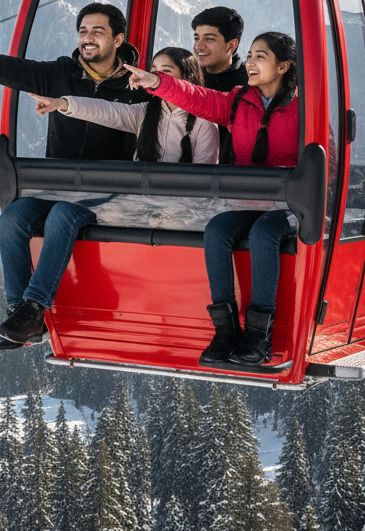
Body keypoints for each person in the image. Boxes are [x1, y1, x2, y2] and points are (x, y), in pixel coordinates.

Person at [0, 2, 147, 349]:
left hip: (106, 192)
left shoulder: (136, 84)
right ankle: (20, 311)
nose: (87, 39)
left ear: (118, 39)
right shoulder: (63, 73)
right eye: (83, 31)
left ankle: (35, 310)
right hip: (60, 184)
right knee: (13, 217)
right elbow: (17, 70)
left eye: (97, 32)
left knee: (62, 216)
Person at [125, 32, 298, 368]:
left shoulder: (304, 107)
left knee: (265, 234)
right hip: (249, 200)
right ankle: (226, 329)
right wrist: (158, 82)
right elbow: (198, 98)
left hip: (290, 204)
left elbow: (327, 157)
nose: (249, 62)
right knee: (217, 229)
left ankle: (258, 333)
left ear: (283, 66)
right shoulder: (237, 102)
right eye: (249, 55)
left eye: (259, 56)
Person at [28, 47, 218, 165]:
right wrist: (63, 103)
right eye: (153, 71)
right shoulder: (145, 112)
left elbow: (203, 179)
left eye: (166, 72)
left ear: (188, 78)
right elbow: (106, 111)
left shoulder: (204, 123)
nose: (156, 77)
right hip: (140, 199)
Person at [192, 6, 248, 93]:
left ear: (231, 46)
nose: (199, 47)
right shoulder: (188, 77)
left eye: (209, 39)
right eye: (197, 38)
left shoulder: (252, 82)